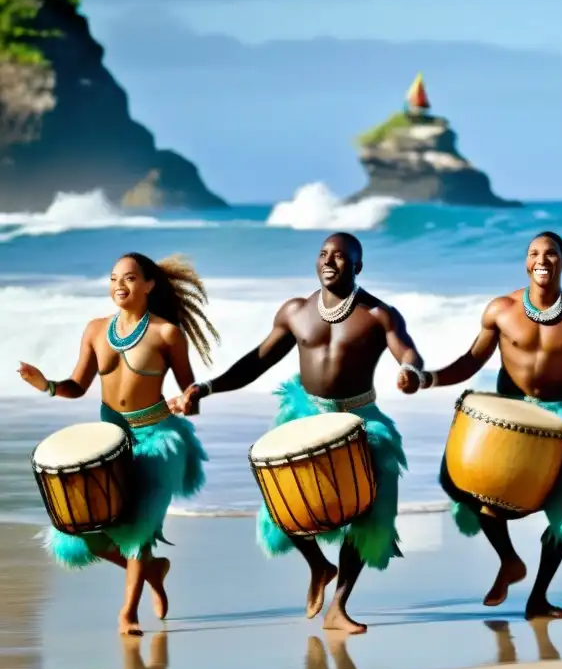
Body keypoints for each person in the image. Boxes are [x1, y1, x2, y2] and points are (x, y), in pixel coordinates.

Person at [172, 232, 425, 634]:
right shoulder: (295, 311)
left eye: (341, 256)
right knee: (283, 498)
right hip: (305, 413)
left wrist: (410, 372)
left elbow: (407, 351)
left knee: (372, 507)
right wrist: (207, 387)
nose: (330, 261)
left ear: (357, 266)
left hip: (360, 417)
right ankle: (318, 565)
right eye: (323, 254)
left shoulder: (379, 315)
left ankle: (338, 606)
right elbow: (255, 362)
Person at [416, 232, 562, 620]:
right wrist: (426, 379)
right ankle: (509, 560)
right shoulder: (501, 310)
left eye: (551, 254)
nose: (542, 260)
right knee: (459, 484)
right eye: (534, 254)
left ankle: (538, 598)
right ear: (526, 262)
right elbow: (470, 361)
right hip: (507, 415)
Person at [17, 253, 217, 636]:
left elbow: (190, 391)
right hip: (111, 441)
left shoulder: (166, 333)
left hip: (157, 440)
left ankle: (128, 614)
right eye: (112, 278)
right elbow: (78, 386)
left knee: (138, 532)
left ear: (149, 285)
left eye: (128, 278)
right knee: (83, 534)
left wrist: (188, 401)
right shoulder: (95, 330)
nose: (118, 285)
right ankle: (153, 570)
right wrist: (46, 385)